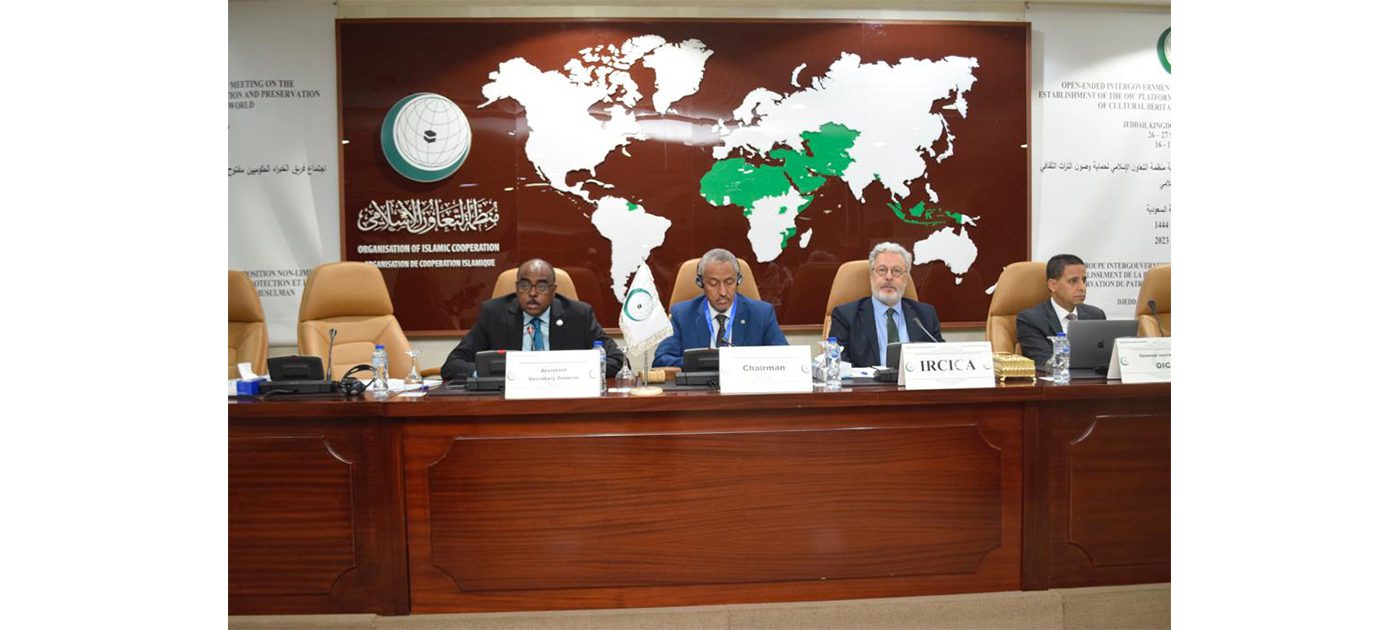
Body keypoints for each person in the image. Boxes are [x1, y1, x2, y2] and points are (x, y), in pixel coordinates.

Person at [441, 259, 624, 381]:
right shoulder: (494, 314)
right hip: (507, 404)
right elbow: (452, 365)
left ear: (553, 290)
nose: (533, 293)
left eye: (542, 286)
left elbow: (618, 360)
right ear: (516, 288)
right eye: (525, 285)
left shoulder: (578, 315)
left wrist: (570, 372)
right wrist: (490, 374)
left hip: (564, 401)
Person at [653, 248, 787, 367]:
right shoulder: (682, 315)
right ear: (700, 283)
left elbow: (785, 358)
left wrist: (745, 364)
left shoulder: (762, 314)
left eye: (729, 282)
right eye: (713, 283)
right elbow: (661, 359)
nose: (723, 292)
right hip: (699, 386)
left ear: (739, 280)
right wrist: (704, 363)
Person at [827, 242, 944, 368]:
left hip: (912, 380)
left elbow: (941, 358)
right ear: (871, 276)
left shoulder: (925, 315)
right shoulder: (846, 316)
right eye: (882, 270)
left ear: (906, 279)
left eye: (896, 271)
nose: (889, 277)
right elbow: (838, 366)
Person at [1016, 253, 1107, 365]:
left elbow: (1104, 359)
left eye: (1084, 280)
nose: (1082, 287)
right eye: (1073, 281)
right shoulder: (1031, 320)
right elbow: (1044, 362)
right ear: (1052, 285)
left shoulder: (1096, 315)